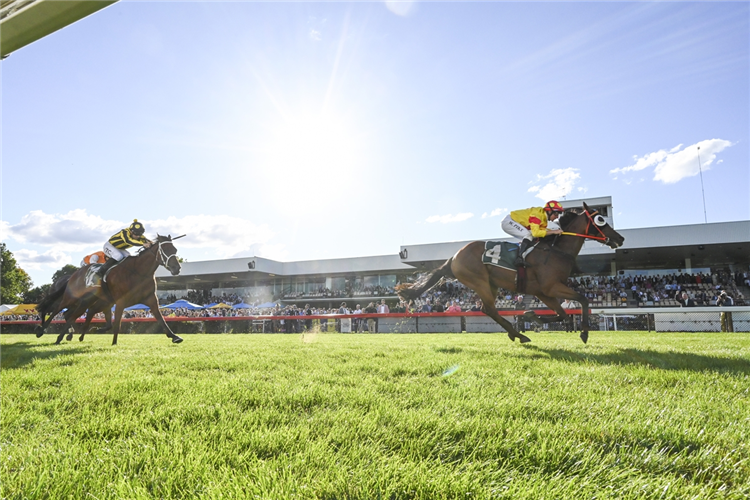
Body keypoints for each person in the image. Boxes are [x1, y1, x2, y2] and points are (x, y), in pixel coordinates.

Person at [501, 200, 564, 266]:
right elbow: (536, 233)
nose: (557, 217)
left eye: (559, 214)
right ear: (549, 211)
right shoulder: (537, 215)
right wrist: (554, 232)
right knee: (528, 235)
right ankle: (519, 258)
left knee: (532, 237)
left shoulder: (544, 220)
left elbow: (542, 233)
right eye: (556, 214)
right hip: (509, 221)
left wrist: (555, 231)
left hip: (515, 222)